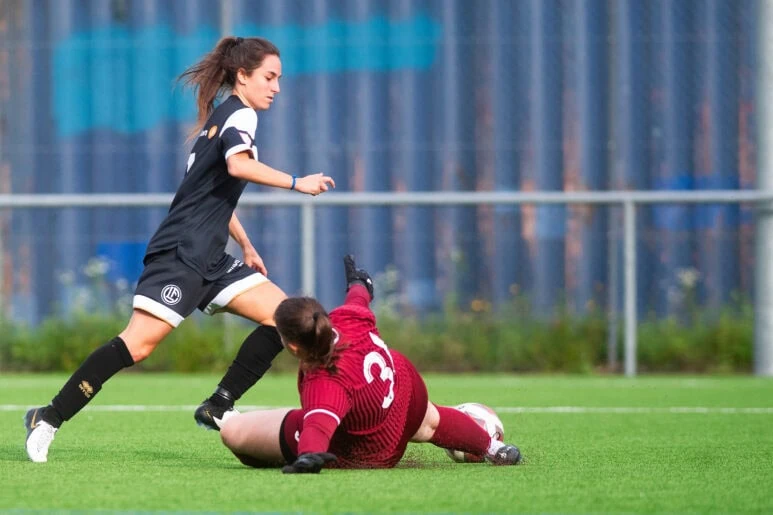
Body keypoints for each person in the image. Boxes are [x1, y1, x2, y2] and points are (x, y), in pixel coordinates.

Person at [23, 36, 335, 463]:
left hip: (212, 257)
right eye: (269, 77)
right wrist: (299, 183)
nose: (276, 87)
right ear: (242, 77)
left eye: (278, 78)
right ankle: (48, 417)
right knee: (137, 346)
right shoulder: (239, 115)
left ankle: (218, 405)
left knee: (283, 318)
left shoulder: (219, 121)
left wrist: (245, 244)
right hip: (181, 254)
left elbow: (211, 195)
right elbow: (238, 167)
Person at [219, 255, 523, 472]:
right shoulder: (347, 318)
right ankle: (494, 449)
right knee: (431, 421)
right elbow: (359, 296)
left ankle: (268, 449)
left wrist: (308, 457)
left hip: (372, 449)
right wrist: (359, 280)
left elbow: (319, 426)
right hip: (405, 393)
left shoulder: (324, 380)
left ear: (294, 345)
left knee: (233, 432)